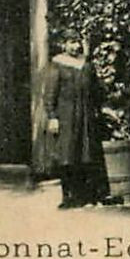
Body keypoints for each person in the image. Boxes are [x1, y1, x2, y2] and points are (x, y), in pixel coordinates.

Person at [40, 28, 109, 209]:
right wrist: (52, 117)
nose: (75, 46)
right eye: (71, 42)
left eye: (77, 41)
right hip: (66, 118)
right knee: (68, 155)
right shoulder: (57, 65)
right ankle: (69, 197)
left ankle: (89, 196)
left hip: (86, 117)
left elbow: (96, 91)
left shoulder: (86, 65)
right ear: (64, 45)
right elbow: (50, 94)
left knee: (86, 155)